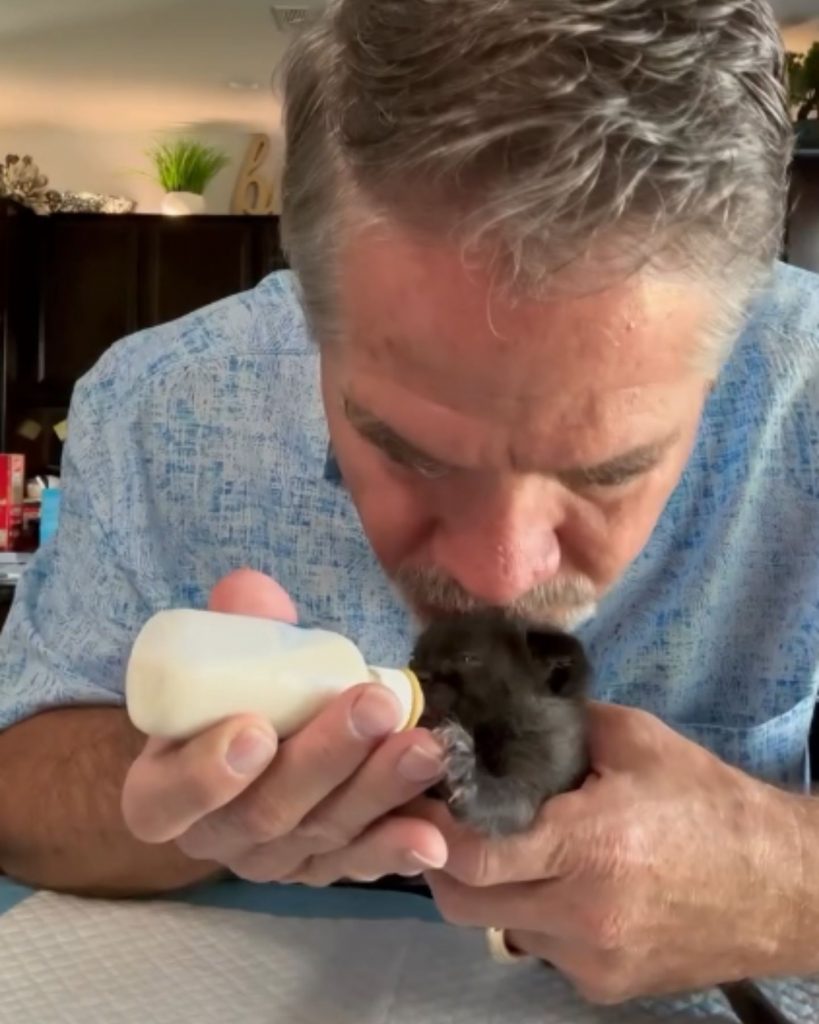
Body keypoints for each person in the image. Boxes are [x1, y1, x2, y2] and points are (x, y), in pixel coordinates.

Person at [1, 0, 818, 1006]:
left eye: (608, 469)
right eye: (407, 450)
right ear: (309, 306)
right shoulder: (163, 405)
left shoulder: (810, 392)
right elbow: (18, 788)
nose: (499, 577)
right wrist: (194, 782)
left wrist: (788, 883)